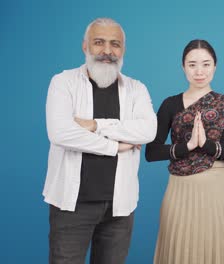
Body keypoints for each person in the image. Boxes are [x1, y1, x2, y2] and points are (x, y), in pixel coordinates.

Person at [43, 17, 157, 264]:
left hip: (120, 206)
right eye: (99, 42)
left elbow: (148, 130)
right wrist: (115, 146)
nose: (107, 51)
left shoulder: (137, 89)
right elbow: (60, 133)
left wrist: (96, 125)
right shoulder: (63, 83)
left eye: (115, 44)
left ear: (123, 50)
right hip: (72, 205)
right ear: (85, 46)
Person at [145, 39, 224, 264]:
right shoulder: (169, 104)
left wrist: (208, 146)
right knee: (178, 252)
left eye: (206, 64)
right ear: (183, 67)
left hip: (216, 192)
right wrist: (188, 147)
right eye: (192, 64)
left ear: (215, 66)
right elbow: (151, 152)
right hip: (179, 190)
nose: (199, 71)